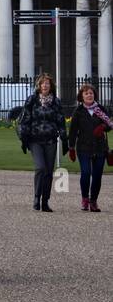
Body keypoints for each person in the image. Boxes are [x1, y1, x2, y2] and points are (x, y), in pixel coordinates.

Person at [17, 73, 67, 212]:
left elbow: (60, 121)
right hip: (35, 140)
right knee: (40, 168)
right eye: (43, 83)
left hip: (50, 140)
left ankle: (45, 201)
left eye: (48, 83)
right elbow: (24, 120)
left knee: (48, 172)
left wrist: (64, 138)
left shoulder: (55, 102)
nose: (45, 85)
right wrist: (23, 137)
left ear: (51, 86)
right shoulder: (32, 100)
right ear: (39, 86)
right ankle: (36, 197)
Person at [67, 83, 110, 212]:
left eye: (91, 93)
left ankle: (93, 201)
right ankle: (85, 198)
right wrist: (71, 148)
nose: (89, 95)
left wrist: (103, 127)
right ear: (82, 96)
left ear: (94, 95)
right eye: (86, 93)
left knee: (97, 176)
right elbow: (73, 131)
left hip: (100, 147)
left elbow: (109, 124)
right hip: (83, 147)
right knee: (86, 173)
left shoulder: (100, 109)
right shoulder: (78, 111)